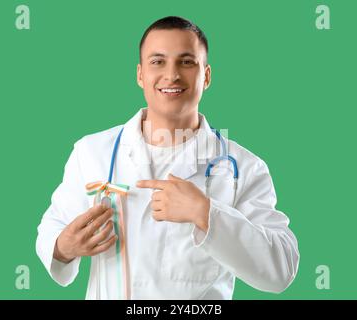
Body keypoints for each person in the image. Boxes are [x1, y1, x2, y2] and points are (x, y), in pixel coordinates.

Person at [36, 16, 300, 299]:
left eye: (186, 62)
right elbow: (51, 230)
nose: (171, 75)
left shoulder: (243, 168)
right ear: (140, 75)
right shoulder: (91, 152)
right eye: (157, 61)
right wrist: (64, 247)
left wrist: (205, 213)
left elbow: (281, 269)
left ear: (206, 76)